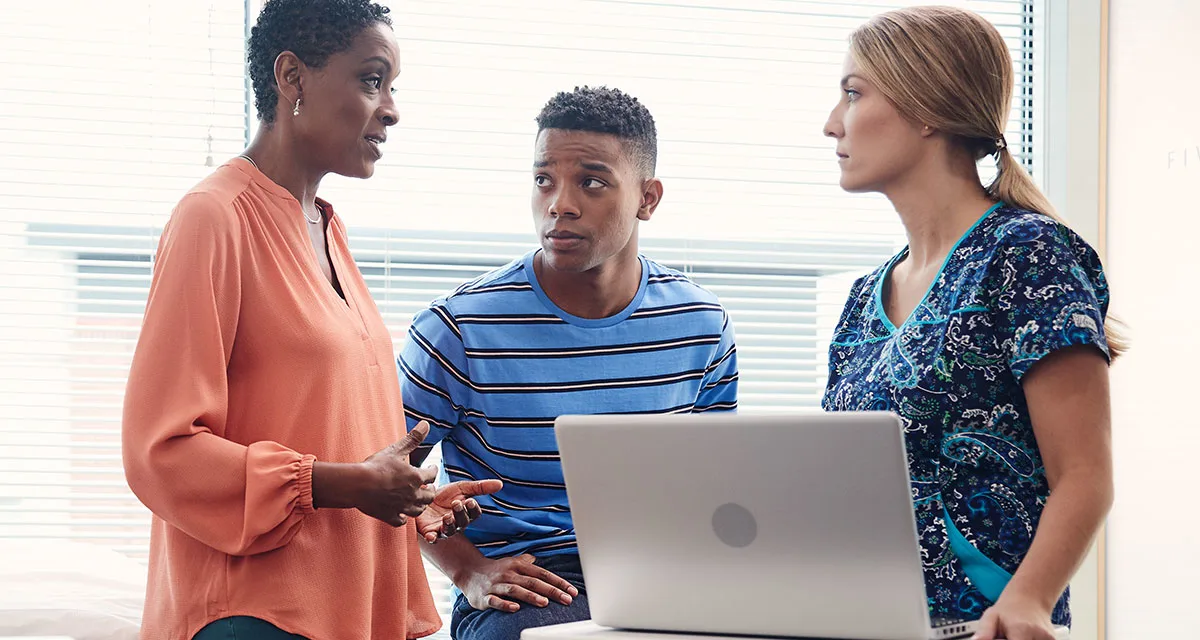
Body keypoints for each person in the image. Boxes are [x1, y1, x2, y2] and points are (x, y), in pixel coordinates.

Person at [121, 1, 500, 638]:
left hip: (344, 602)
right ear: (292, 78)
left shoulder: (328, 228)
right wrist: (344, 483)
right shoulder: (213, 219)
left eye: (392, 87)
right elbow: (159, 451)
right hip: (255, 614)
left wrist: (409, 502)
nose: (391, 108)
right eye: (371, 80)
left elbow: (322, 421)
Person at [820, 7, 1124, 640]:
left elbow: (1085, 473)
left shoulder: (1027, 254)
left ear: (925, 105)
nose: (831, 125)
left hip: (988, 626)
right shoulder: (860, 300)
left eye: (852, 94)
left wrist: (1030, 601)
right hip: (862, 621)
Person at [397, 86, 740, 640]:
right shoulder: (460, 328)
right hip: (531, 584)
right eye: (543, 180)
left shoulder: (702, 323)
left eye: (592, 182)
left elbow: (715, 483)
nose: (560, 203)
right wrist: (469, 571)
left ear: (647, 199)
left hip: (666, 575)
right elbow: (381, 477)